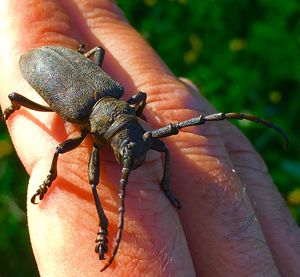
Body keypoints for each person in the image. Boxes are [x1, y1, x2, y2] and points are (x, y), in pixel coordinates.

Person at [1, 1, 299, 276]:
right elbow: (61, 150)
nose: (140, 148)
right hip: (44, 64)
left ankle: (163, 189)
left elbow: (157, 139)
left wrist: (165, 186)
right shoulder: (84, 109)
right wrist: (51, 177)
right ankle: (103, 224)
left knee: (164, 148)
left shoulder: (120, 97)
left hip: (70, 64)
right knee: (84, 174)